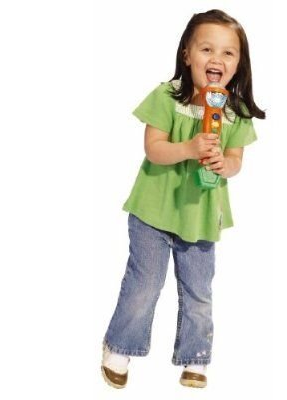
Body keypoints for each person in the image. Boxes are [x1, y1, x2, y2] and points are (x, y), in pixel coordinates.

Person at [101, 9, 265, 389]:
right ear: (187, 54)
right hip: (153, 211)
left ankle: (195, 356)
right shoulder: (167, 96)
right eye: (207, 49)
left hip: (201, 216)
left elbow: (236, 161)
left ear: (239, 63)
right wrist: (190, 148)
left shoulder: (236, 112)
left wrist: (225, 164)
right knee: (145, 284)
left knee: (198, 290)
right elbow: (154, 149)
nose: (217, 59)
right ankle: (120, 345)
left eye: (228, 53)